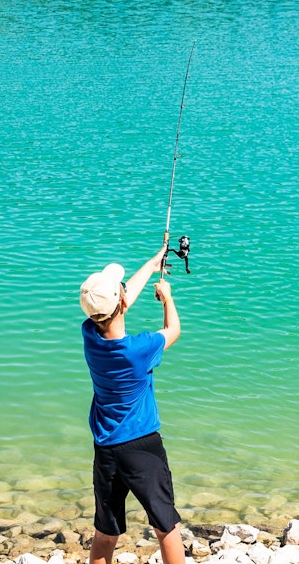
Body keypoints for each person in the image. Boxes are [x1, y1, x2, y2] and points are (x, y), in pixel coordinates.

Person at [79, 241, 186, 564]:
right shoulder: (139, 349)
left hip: (106, 449)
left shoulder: (89, 335)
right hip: (142, 447)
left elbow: (118, 304)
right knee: (166, 526)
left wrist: (153, 264)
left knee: (106, 532)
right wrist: (168, 298)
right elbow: (173, 330)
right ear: (123, 302)